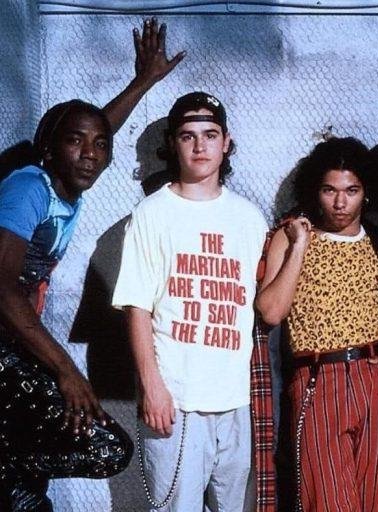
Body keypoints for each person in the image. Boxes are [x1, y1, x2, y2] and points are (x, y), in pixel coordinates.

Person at [0, 18, 182, 512]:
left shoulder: (66, 180)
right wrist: (66, 369)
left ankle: (15, 477)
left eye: (101, 146)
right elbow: (2, 288)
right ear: (49, 146)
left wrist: (144, 81)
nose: (90, 154)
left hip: (14, 343)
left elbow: (91, 130)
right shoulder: (29, 188)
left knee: (66, 453)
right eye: (76, 143)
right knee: (104, 446)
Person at [112, 91, 268, 512]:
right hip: (177, 401)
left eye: (210, 135)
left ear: (226, 142)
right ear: (172, 144)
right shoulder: (153, 213)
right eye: (188, 136)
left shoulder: (249, 218)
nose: (200, 146)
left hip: (235, 400)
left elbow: (265, 306)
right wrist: (152, 387)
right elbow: (137, 307)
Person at [256, 137, 378, 512]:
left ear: (366, 193)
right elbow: (271, 312)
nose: (340, 203)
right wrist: (299, 247)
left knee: (376, 503)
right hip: (318, 378)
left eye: (351, 191)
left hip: (375, 378)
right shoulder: (290, 237)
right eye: (329, 190)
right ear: (315, 191)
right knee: (326, 502)